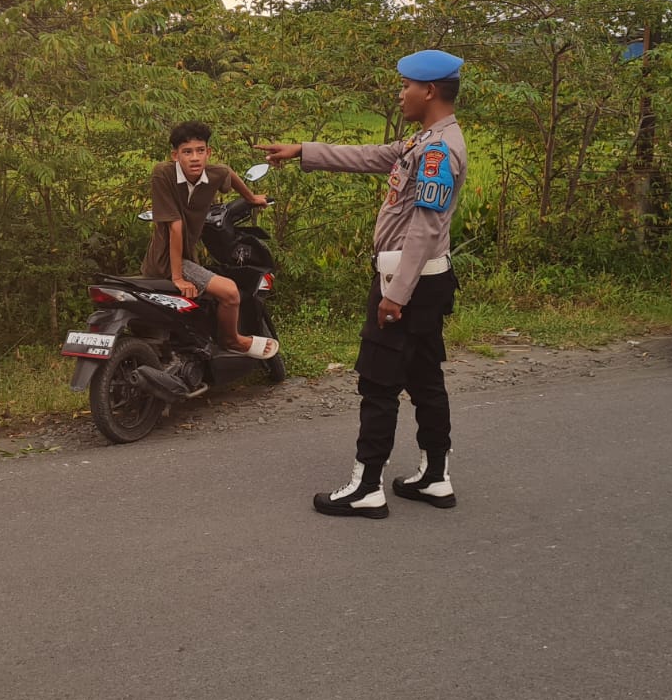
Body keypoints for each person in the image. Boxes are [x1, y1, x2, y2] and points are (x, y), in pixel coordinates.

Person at [260, 49, 467, 519]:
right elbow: (374, 156)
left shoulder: (438, 150)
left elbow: (426, 228)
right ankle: (436, 477)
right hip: (426, 282)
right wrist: (303, 152)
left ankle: (367, 486)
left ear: (429, 90)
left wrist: (395, 295)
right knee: (425, 379)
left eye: (406, 87)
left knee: (378, 382)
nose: (400, 95)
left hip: (405, 282)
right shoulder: (426, 140)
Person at [143, 121, 278, 359]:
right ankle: (232, 340)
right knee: (230, 292)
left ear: (208, 152)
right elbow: (175, 226)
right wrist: (177, 276)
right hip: (164, 261)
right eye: (187, 152)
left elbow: (228, 173)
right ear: (175, 156)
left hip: (186, 258)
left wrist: (251, 198)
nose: (195, 158)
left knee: (212, 295)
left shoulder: (214, 174)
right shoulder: (162, 174)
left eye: (200, 150)